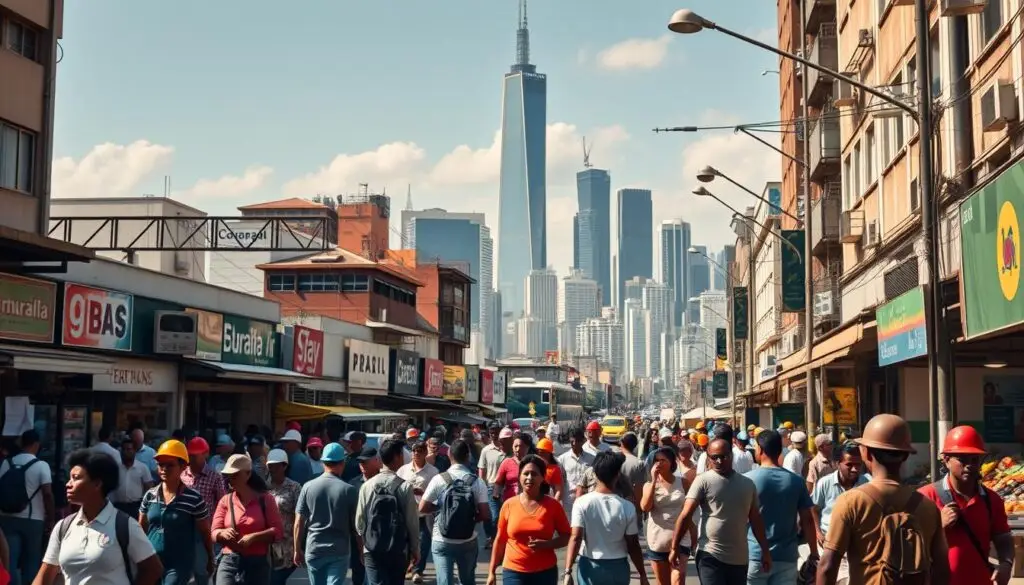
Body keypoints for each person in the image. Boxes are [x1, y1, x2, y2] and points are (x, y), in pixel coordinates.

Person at [816, 414, 949, 585]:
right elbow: (942, 570)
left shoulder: (850, 502)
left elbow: (827, 566)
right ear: (905, 456)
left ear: (866, 453)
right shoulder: (928, 507)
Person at [33, 448, 164, 585]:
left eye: (76, 478)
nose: (68, 484)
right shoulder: (63, 527)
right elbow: (44, 577)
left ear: (97, 484)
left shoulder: (125, 526)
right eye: (69, 478)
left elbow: (153, 569)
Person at [919, 426, 1014, 585]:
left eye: (974, 459)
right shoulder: (925, 497)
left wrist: (1006, 563)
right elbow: (909, 547)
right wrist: (938, 527)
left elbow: (1003, 537)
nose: (969, 465)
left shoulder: (992, 500)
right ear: (946, 460)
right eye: (962, 459)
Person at [670, 438, 770, 585]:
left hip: (739, 559)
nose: (719, 461)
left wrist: (765, 551)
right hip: (710, 555)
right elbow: (686, 515)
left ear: (731, 455)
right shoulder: (702, 480)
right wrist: (674, 547)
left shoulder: (748, 484)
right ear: (708, 457)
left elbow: (756, 520)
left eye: (723, 456)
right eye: (714, 457)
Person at [744, 430, 818, 585]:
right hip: (787, 557)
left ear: (760, 450)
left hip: (755, 556)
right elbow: (808, 520)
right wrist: (813, 552)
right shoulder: (796, 481)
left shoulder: (748, 480)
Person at [564, 452, 648, 585]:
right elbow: (633, 544)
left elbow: (576, 538)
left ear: (594, 474)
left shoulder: (581, 503)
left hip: (590, 566)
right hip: (618, 568)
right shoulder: (627, 507)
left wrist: (568, 571)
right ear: (617, 475)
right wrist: (642, 574)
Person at [486, 455, 570, 585]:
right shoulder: (509, 505)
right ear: (519, 477)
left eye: (534, 474)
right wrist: (491, 571)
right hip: (514, 572)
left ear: (542, 478)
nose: (529, 478)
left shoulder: (553, 506)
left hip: (545, 573)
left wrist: (547, 544)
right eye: (526, 473)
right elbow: (500, 539)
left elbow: (566, 536)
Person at [139, 440, 213, 585]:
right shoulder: (150, 496)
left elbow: (205, 532)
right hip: (152, 563)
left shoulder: (194, 499)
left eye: (170, 465)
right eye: (161, 464)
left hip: (179, 565)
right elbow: (141, 528)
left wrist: (210, 558)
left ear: (183, 466)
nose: (164, 469)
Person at [419, 439, 490, 585]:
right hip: (467, 539)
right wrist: (469, 517)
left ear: (449, 454)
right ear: (468, 456)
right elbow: (485, 514)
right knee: (467, 581)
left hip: (442, 539)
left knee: (445, 581)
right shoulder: (477, 482)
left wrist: (441, 508)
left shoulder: (439, 479)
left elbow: (422, 508)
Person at [211, 454, 284, 585]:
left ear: (248, 474)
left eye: (235, 475)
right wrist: (222, 533)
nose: (230, 479)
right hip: (230, 560)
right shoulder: (226, 500)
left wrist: (254, 537)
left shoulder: (266, 499)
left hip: (258, 563)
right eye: (229, 475)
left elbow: (278, 531)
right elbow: (214, 531)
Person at [355, 439, 420, 585]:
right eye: (401, 454)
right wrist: (415, 549)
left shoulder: (367, 486)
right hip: (398, 548)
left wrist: (365, 545)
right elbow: (412, 522)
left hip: (372, 548)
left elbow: (359, 523)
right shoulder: (405, 487)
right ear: (397, 457)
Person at [294, 442, 358, 585]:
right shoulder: (349, 490)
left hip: (314, 549)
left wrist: (297, 549)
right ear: (342, 463)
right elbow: (356, 527)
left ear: (323, 462)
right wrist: (361, 550)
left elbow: (299, 522)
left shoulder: (308, 487)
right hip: (339, 551)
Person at [809, 441, 868, 585]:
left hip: (857, 545)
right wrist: (818, 532)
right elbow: (814, 509)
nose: (855, 469)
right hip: (830, 543)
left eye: (858, 465)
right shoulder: (825, 483)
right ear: (837, 464)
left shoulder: (867, 483)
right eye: (849, 465)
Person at [0, 428, 55, 585]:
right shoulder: (41, 465)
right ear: (36, 444)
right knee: (31, 560)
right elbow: (47, 494)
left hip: (7, 517)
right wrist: (51, 518)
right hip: (33, 520)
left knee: (10, 559)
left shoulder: (6, 463)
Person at [641, 447, 695, 585]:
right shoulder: (648, 485)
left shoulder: (683, 483)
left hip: (681, 538)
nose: (659, 463)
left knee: (678, 578)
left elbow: (689, 512)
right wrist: (654, 481)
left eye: (663, 460)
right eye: (656, 461)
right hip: (658, 539)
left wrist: (694, 538)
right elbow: (645, 508)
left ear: (671, 462)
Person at [181, 437, 226, 585]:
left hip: (204, 530)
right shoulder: (181, 475)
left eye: (196, 455)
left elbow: (222, 503)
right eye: (190, 455)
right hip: (183, 529)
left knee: (201, 570)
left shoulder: (215, 477)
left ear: (205, 454)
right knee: (182, 570)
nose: (192, 458)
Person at [398, 441, 439, 584]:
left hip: (424, 514)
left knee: (424, 543)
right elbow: (397, 488)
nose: (416, 453)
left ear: (425, 453)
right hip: (406, 513)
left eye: (420, 451)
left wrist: (424, 494)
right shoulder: (403, 470)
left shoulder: (433, 472)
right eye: (414, 450)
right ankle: (407, 567)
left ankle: (417, 571)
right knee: (405, 542)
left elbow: (437, 493)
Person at [266, 449, 301, 585]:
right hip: (266, 545)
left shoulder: (294, 487)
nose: (273, 469)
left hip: (287, 546)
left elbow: (300, 517)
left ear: (284, 466)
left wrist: (299, 545)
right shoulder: (263, 487)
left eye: (276, 465)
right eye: (270, 465)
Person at [478, 424, 510, 547]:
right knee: (494, 516)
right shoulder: (486, 450)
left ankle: (503, 538)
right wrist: (482, 488)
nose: (493, 435)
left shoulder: (509, 450)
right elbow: (482, 470)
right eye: (491, 432)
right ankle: (492, 538)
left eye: (496, 432)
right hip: (491, 487)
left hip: (507, 487)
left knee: (506, 515)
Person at [111, 435, 155, 517]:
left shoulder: (142, 467)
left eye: (128, 449)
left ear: (134, 451)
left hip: (135, 507)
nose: (125, 452)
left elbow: (149, 487)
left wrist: (145, 504)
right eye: (123, 449)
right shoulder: (115, 467)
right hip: (118, 506)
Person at [556, 424, 595, 515]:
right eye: (571, 441)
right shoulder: (562, 459)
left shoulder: (591, 459)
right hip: (568, 501)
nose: (573, 444)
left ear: (583, 441)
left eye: (577, 441)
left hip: (586, 499)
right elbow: (560, 481)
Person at [493, 436, 530, 502]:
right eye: (515, 446)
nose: (518, 449)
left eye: (521, 446)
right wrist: (496, 494)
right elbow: (498, 482)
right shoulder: (506, 462)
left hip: (528, 501)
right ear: (512, 447)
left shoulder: (532, 463)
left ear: (527, 448)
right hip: (509, 501)